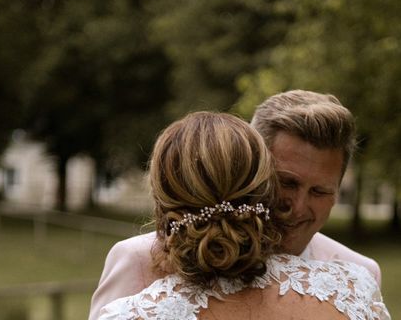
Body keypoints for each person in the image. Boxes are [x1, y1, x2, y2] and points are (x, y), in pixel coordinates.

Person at [89, 90, 381, 320]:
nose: (298, 206)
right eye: (287, 183)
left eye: (319, 191)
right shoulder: (138, 259)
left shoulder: (358, 275)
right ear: (252, 171)